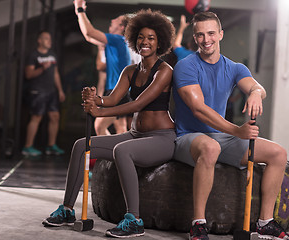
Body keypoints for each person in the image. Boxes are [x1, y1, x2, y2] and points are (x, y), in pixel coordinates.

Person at [42, 8, 176, 238]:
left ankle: (134, 220)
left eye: (151, 38)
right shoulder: (130, 71)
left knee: (122, 151)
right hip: (135, 134)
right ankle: (66, 209)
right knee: (81, 145)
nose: (145, 42)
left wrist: (99, 111)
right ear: (134, 39)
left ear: (160, 41)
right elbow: (112, 99)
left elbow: (137, 104)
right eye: (141, 37)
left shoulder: (164, 71)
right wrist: (95, 98)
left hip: (162, 138)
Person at [172, 12, 289, 240]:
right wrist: (237, 131)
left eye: (210, 33)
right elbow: (198, 109)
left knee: (278, 153)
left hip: (221, 137)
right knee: (210, 148)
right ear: (195, 38)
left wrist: (256, 93)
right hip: (189, 137)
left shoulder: (235, 68)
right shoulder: (185, 66)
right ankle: (198, 224)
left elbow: (258, 87)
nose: (206, 39)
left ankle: (265, 222)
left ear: (220, 34)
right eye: (200, 35)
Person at [74, 0, 131, 136]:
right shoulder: (115, 43)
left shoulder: (118, 40)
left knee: (99, 125)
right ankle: (119, 155)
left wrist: (79, 10)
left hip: (117, 92)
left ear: (122, 27)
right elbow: (89, 36)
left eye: (116, 20)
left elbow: (90, 32)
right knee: (120, 128)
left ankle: (111, 155)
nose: (112, 20)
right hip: (117, 90)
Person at [22, 31, 65, 156]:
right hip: (38, 91)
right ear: (39, 41)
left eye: (50, 39)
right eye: (46, 39)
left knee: (55, 117)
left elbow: (56, 74)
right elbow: (28, 75)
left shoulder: (52, 55)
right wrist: (42, 68)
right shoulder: (33, 55)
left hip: (51, 91)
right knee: (36, 117)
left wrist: (60, 90)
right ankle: (27, 147)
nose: (49, 41)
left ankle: (51, 146)